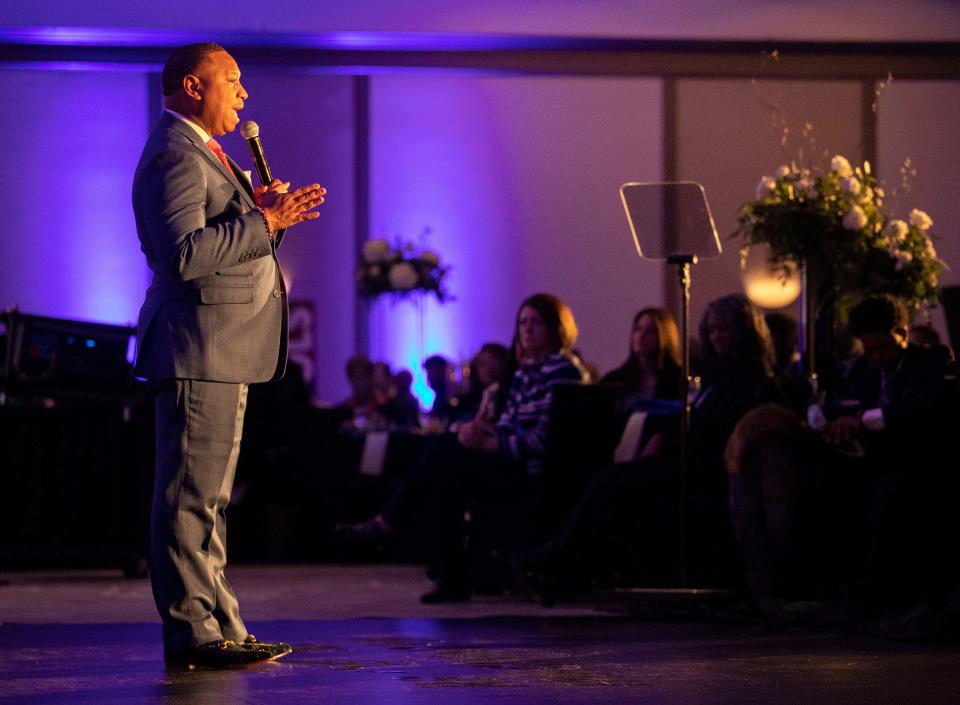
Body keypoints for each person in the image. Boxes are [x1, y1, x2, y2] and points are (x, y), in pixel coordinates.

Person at [133, 42, 326, 667]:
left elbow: (227, 242)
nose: (243, 94)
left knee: (209, 500)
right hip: (198, 347)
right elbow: (184, 256)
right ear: (194, 86)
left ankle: (224, 625)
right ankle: (195, 634)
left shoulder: (205, 152)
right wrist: (262, 223)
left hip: (221, 349)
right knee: (190, 497)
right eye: (232, 81)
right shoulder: (176, 154)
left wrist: (273, 217)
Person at [338, 293, 589, 602]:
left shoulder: (562, 371)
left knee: (443, 450)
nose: (527, 329)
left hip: (531, 469)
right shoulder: (525, 373)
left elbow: (546, 441)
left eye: (536, 323)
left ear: (555, 327)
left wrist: (489, 443)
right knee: (447, 467)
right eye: (522, 322)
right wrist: (479, 430)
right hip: (507, 459)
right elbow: (509, 424)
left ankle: (392, 525)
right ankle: (449, 575)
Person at [600, 307, 682, 459]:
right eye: (638, 329)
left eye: (650, 331)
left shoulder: (677, 379)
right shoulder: (616, 379)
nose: (641, 336)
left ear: (664, 336)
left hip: (661, 456)